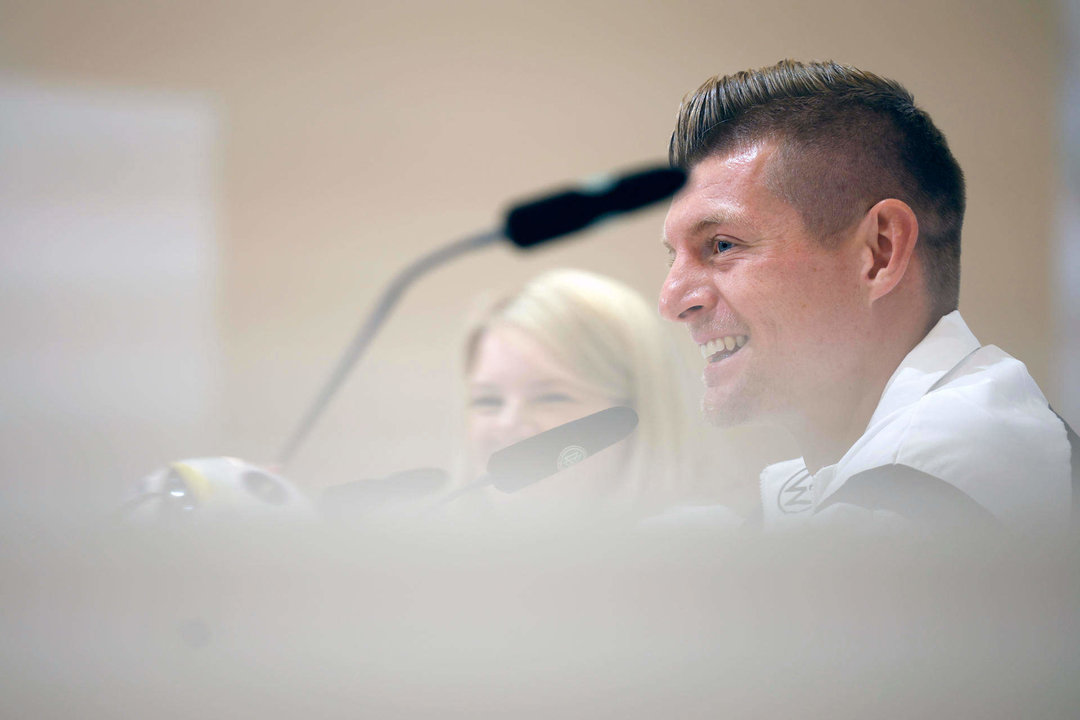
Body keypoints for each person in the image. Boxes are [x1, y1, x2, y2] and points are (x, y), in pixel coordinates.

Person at [658, 59, 1074, 533]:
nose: (672, 300)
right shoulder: (858, 480)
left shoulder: (935, 493)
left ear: (879, 252)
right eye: (672, 256)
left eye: (722, 245)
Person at [456, 268, 694, 521]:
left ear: (639, 412)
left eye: (551, 398)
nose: (507, 424)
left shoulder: (702, 550)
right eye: (488, 401)